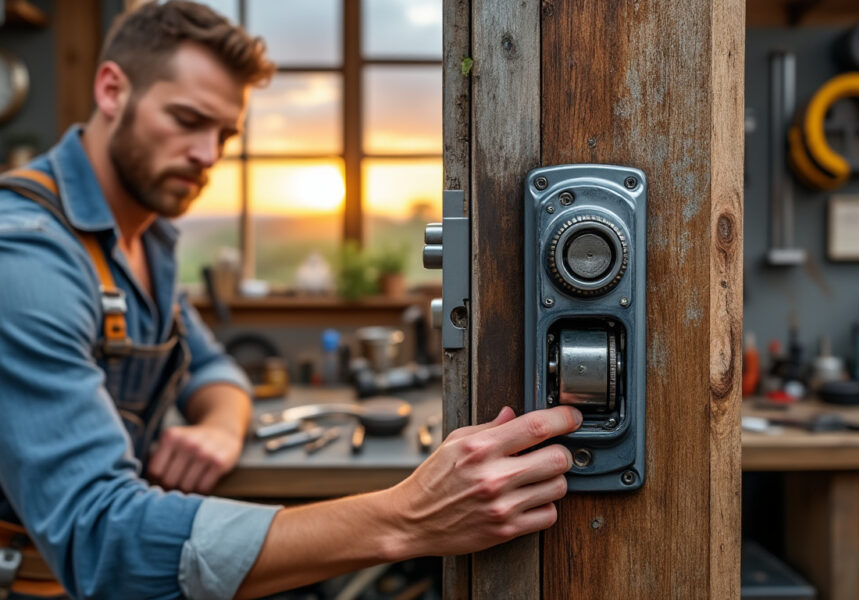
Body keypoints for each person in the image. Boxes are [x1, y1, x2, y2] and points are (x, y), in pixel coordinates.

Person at [0, 2, 582, 599]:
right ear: (111, 89)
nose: (207, 155)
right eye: (186, 119)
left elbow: (211, 365)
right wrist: (407, 516)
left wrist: (223, 427)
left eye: (224, 134)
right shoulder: (25, 259)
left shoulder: (146, 239)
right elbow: (102, 539)